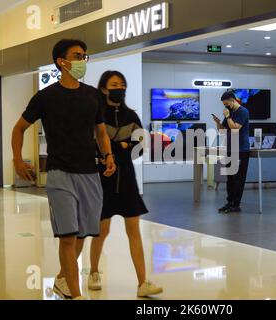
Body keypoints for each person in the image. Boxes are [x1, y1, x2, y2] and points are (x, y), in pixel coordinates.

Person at [12, 39, 116, 300]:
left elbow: (101, 132)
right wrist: (17, 159)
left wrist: (109, 155)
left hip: (89, 173)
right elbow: (19, 128)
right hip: (60, 174)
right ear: (62, 61)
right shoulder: (45, 97)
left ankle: (62, 279)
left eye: (84, 56)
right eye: (77, 56)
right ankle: (75, 294)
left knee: (84, 233)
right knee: (68, 236)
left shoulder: (93, 95)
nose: (83, 60)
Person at [88, 71, 163, 297]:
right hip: (102, 179)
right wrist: (119, 147)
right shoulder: (96, 114)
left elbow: (141, 145)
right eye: (114, 84)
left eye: (122, 84)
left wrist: (115, 148)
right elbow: (94, 144)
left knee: (134, 231)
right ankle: (93, 271)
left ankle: (142, 282)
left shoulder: (131, 115)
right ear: (103, 88)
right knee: (102, 230)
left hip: (128, 179)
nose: (119, 88)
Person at [212, 91, 250, 213]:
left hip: (241, 149)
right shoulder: (230, 112)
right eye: (224, 105)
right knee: (230, 178)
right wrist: (218, 122)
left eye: (227, 104)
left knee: (238, 178)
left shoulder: (242, 112)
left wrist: (228, 116)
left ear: (233, 100)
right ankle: (230, 202)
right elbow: (222, 130)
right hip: (230, 148)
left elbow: (235, 128)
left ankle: (236, 204)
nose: (226, 106)